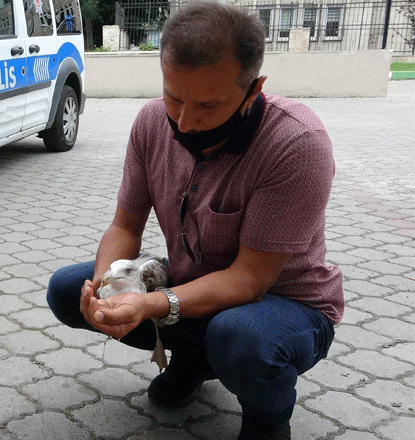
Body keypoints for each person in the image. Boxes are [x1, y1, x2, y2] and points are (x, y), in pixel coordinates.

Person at [46, 2, 342, 439]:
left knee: (240, 338)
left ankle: (267, 419)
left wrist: (150, 303)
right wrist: (107, 289)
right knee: (70, 290)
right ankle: (195, 358)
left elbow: (247, 280)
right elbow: (126, 226)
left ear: (253, 90)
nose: (184, 121)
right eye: (174, 97)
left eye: (207, 105)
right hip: (193, 282)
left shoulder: (296, 143)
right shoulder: (151, 122)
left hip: (284, 303)